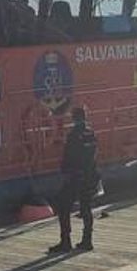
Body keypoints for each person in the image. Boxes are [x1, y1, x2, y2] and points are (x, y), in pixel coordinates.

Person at [49, 108, 99, 253]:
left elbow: (69, 157)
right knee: (86, 208)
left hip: (76, 176)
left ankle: (65, 241)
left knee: (63, 206)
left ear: (73, 118)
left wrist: (65, 171)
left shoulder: (73, 135)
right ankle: (87, 240)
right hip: (90, 175)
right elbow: (94, 155)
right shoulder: (91, 133)